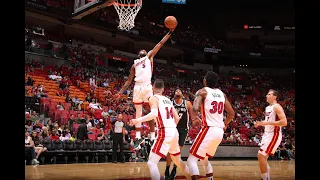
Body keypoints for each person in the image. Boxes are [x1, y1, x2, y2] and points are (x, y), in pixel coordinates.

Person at [114, 26, 176, 148]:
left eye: (144, 50)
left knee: (150, 110)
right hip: (137, 87)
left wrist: (169, 33)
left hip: (147, 86)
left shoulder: (149, 56)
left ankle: (153, 137)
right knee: (138, 112)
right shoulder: (134, 64)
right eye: (141, 50)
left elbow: (160, 43)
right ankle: (137, 137)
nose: (143, 50)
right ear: (139, 55)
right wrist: (120, 92)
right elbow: (128, 81)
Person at [130, 79, 191, 180]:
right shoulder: (167, 100)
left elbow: (153, 114)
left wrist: (138, 120)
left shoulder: (153, 98)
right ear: (163, 89)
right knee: (177, 161)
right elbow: (177, 118)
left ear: (153, 88)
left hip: (165, 131)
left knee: (151, 163)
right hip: (174, 131)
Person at [187, 71, 235, 180]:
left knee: (191, 159)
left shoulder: (202, 92)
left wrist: (194, 118)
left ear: (205, 81)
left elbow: (195, 108)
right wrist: (225, 124)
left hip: (209, 129)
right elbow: (232, 113)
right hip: (219, 132)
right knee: (204, 158)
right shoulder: (222, 94)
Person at [165, 88, 199, 180]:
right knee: (170, 150)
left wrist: (198, 121)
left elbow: (193, 116)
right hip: (172, 129)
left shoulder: (187, 103)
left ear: (182, 94)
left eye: (179, 91)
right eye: (176, 91)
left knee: (178, 151)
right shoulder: (170, 103)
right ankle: (167, 168)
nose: (178, 91)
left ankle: (175, 169)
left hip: (183, 129)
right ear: (174, 94)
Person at [254, 89, 287, 180]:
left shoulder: (277, 107)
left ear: (274, 97)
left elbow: (284, 122)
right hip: (266, 134)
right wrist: (260, 123)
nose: (266, 96)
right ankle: (266, 177)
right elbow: (267, 121)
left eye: (269, 94)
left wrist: (267, 123)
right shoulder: (267, 108)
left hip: (274, 134)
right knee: (263, 158)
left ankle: (264, 178)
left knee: (261, 156)